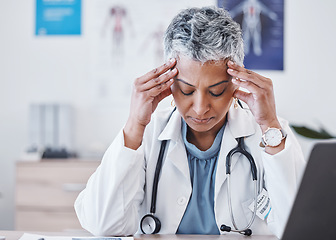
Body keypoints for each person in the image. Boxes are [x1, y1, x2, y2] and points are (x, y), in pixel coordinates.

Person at [75, 6, 305, 238]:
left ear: (237, 81)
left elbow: (299, 229)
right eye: (186, 90)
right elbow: (103, 224)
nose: (200, 108)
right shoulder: (147, 133)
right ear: (168, 81)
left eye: (216, 92)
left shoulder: (270, 136)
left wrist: (270, 126)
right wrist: (135, 124)